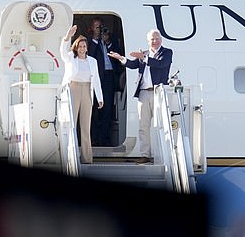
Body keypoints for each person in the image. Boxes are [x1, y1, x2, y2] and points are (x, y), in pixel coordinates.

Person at [109, 29, 172, 164]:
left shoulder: (167, 52)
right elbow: (132, 65)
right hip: (144, 92)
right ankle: (145, 155)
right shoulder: (144, 54)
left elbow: (161, 65)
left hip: (158, 92)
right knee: (143, 126)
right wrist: (121, 58)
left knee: (160, 125)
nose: (155, 41)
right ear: (148, 41)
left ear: (160, 39)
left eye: (157, 38)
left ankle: (161, 154)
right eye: (152, 39)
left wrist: (145, 58)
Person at [60, 25, 104, 164]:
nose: (82, 49)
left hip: (87, 90)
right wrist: (67, 37)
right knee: (71, 124)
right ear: (76, 47)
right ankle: (69, 156)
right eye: (80, 46)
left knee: (85, 126)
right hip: (73, 88)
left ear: (87, 48)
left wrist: (100, 97)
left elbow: (96, 79)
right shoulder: (70, 58)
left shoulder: (92, 61)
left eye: (84, 46)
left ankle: (86, 158)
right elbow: (62, 51)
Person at [87, 17, 122, 147]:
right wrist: (96, 40)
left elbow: (118, 54)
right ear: (92, 28)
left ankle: (106, 139)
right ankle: (94, 139)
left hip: (108, 76)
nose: (100, 29)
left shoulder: (110, 39)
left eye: (101, 26)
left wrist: (107, 41)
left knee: (107, 109)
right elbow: (89, 56)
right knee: (95, 109)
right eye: (97, 27)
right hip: (95, 77)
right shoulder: (89, 41)